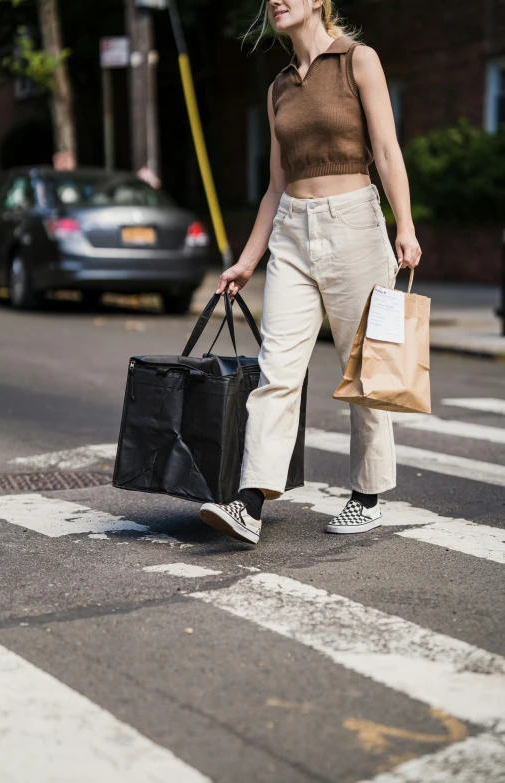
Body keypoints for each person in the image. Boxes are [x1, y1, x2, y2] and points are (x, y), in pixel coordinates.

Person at [199, 0, 421, 545]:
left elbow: (388, 153)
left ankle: (366, 496)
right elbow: (275, 187)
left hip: (354, 223)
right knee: (276, 369)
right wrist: (248, 260)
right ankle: (249, 502)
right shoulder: (278, 87)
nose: (276, 0)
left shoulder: (357, 61)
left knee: (367, 368)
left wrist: (406, 226)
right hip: (292, 234)